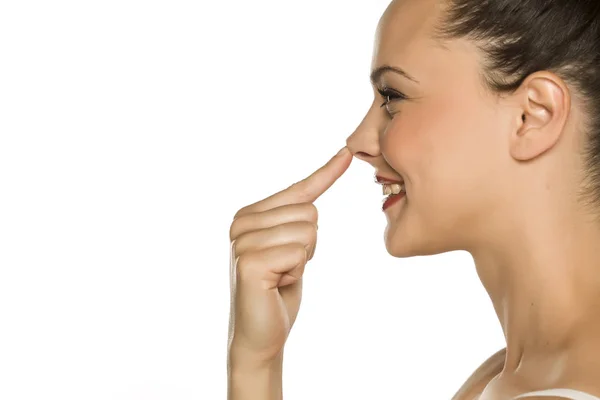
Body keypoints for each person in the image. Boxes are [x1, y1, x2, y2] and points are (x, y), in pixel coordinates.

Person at [226, 0, 600, 398]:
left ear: (533, 115)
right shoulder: (507, 375)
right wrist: (258, 361)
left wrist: (252, 368)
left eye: (392, 96)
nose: (359, 142)